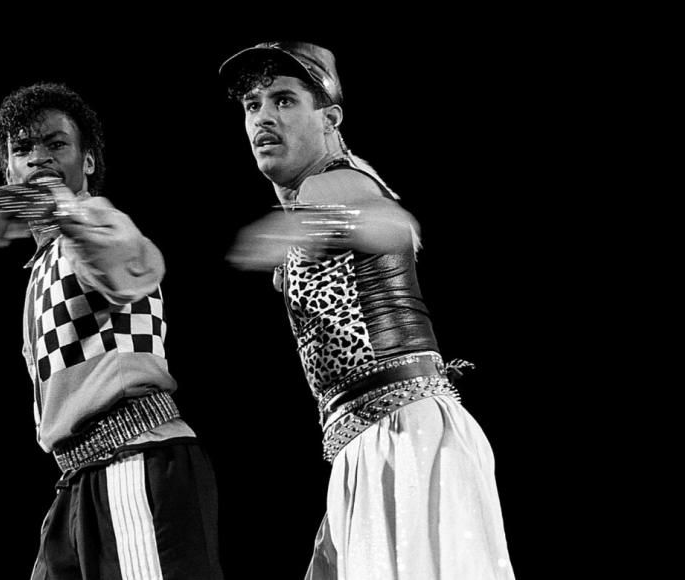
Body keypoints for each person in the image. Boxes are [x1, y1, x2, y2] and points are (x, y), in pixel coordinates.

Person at [220, 42, 515, 579]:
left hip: (408, 438)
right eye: (252, 105)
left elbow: (390, 222)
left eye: (285, 100)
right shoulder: (311, 197)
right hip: (366, 443)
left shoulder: (334, 180)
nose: (263, 115)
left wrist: (312, 223)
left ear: (330, 118)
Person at [0, 82, 223, 580]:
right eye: (23, 150)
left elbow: (133, 264)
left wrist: (60, 209)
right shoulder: (43, 263)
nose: (38, 160)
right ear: (8, 173)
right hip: (80, 480)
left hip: (135, 461)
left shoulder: (94, 221)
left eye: (56, 145)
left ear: (88, 162)